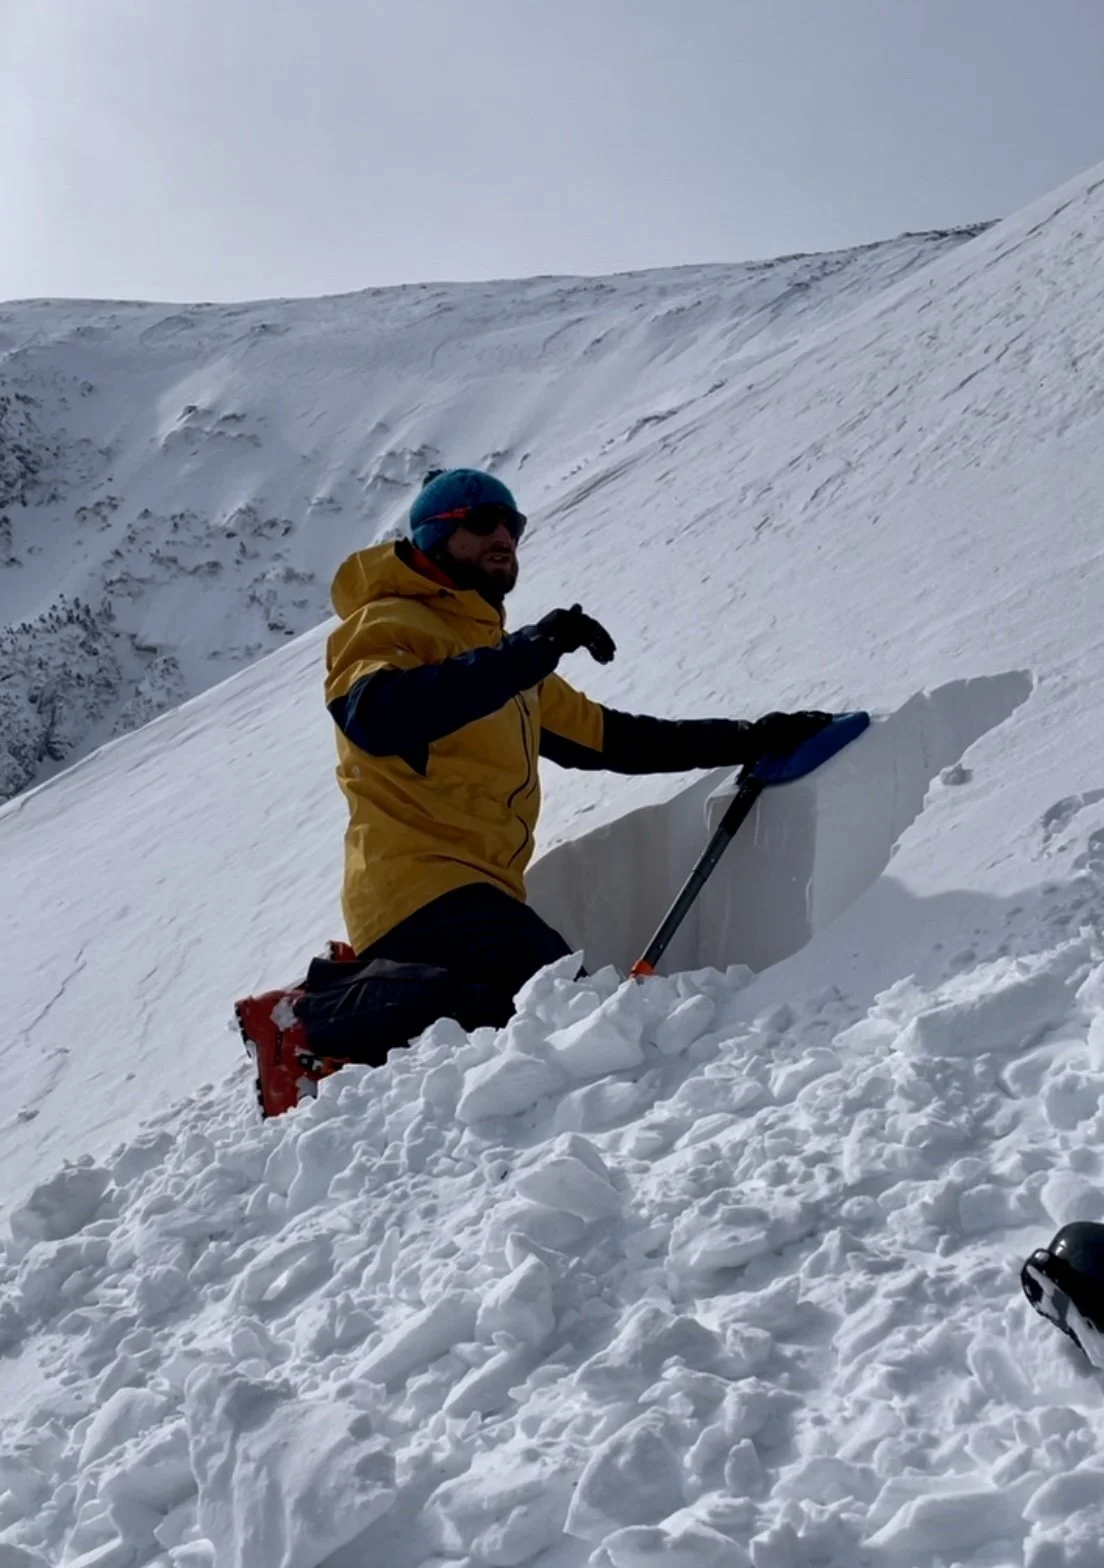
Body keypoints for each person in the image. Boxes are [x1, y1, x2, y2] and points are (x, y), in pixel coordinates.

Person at [235, 467, 831, 1115]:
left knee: (502, 1018)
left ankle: (354, 1002)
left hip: (483, 889)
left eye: (513, 525)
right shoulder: (387, 623)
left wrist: (750, 737)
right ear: (434, 536)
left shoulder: (500, 659)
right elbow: (376, 716)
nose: (504, 535)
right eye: (481, 522)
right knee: (556, 1008)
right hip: (415, 882)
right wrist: (526, 653)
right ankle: (309, 1016)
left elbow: (614, 739)